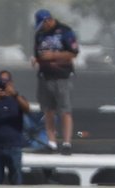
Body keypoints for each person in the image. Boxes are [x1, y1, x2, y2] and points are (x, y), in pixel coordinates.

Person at [31, 9, 79, 155]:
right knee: (48, 110)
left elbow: (73, 53)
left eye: (43, 24)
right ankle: (51, 143)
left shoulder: (65, 31)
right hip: (45, 76)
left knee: (65, 110)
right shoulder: (40, 35)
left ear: (48, 20)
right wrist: (37, 59)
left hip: (62, 76)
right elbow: (38, 54)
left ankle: (66, 143)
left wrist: (53, 55)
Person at [0, 70, 29, 185]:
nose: (3, 83)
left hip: (14, 146)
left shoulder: (18, 99)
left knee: (16, 178)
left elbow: (27, 109)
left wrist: (14, 95)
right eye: (1, 81)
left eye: (6, 81)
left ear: (11, 82)